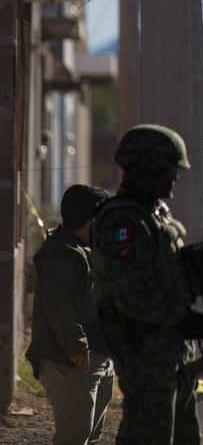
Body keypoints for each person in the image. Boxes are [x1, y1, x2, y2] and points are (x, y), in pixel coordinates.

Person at [90, 124, 203, 445]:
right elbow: (133, 295)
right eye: (169, 170)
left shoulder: (154, 214)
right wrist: (182, 317)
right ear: (145, 168)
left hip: (172, 354)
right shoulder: (124, 220)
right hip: (145, 354)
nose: (175, 178)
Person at [25, 184, 116, 445]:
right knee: (74, 437)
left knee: (89, 435)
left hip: (98, 358)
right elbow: (57, 303)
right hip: (72, 361)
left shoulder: (90, 249)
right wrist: (76, 342)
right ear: (91, 219)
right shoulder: (63, 252)